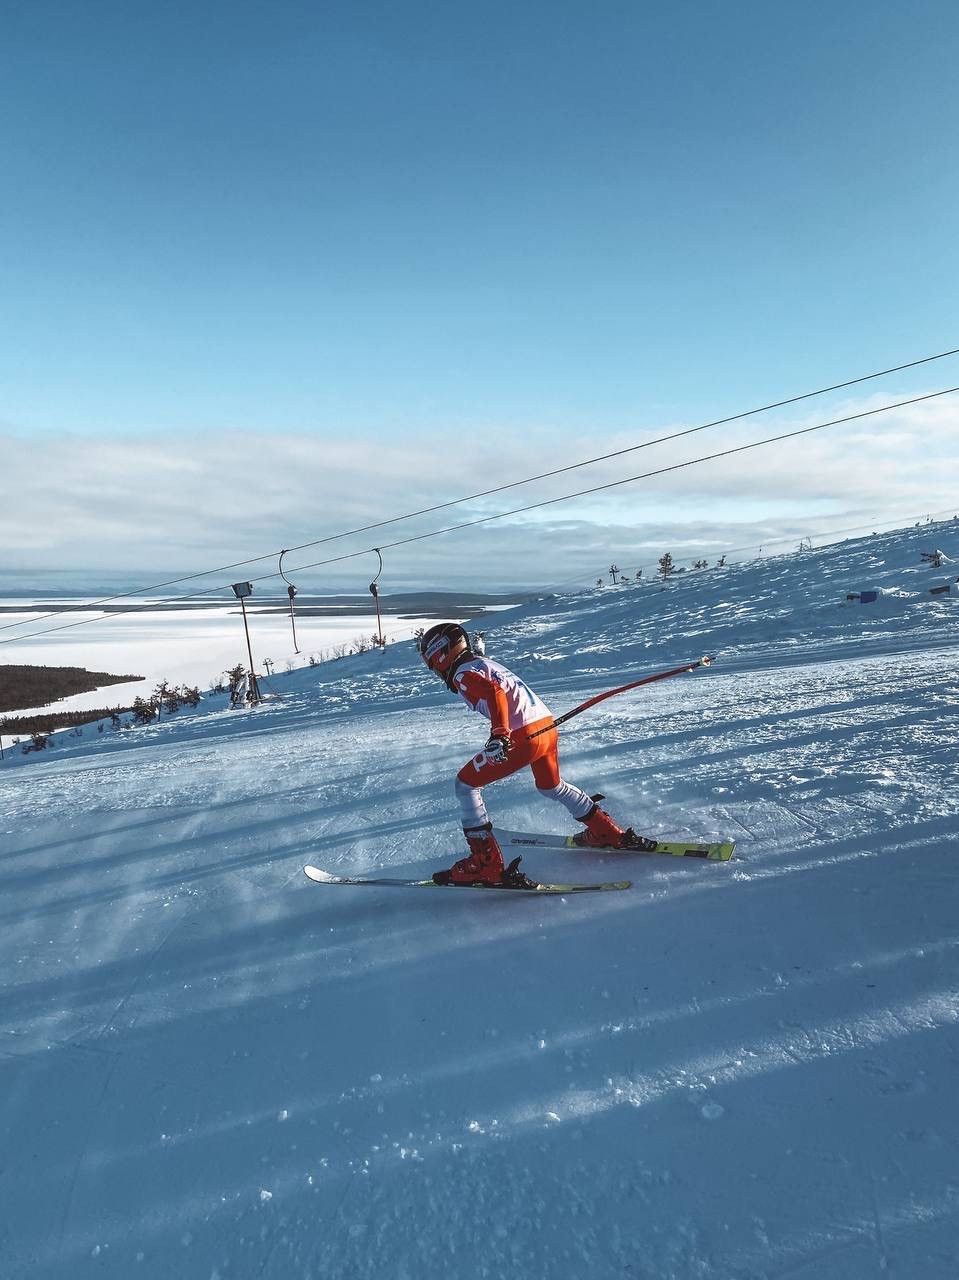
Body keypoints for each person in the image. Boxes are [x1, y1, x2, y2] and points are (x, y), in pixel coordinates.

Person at [419, 622, 651, 886]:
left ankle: (486, 865)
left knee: (465, 785)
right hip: (546, 729)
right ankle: (605, 831)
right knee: (551, 786)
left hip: (522, 737)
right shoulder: (483, 664)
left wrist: (500, 733)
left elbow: (494, 692)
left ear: (441, 655)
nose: (436, 673)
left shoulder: (462, 674)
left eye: (432, 665)